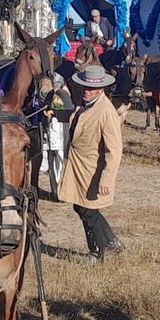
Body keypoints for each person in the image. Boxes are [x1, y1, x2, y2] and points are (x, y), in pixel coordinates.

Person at [59, 64, 125, 262]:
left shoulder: (106, 112)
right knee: (83, 207)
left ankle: (100, 249)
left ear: (100, 89)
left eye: (91, 88)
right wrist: (56, 113)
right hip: (80, 167)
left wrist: (107, 179)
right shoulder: (88, 104)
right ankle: (110, 242)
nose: (86, 91)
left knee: (86, 209)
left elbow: (114, 150)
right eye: (85, 87)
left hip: (92, 169)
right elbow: (77, 120)